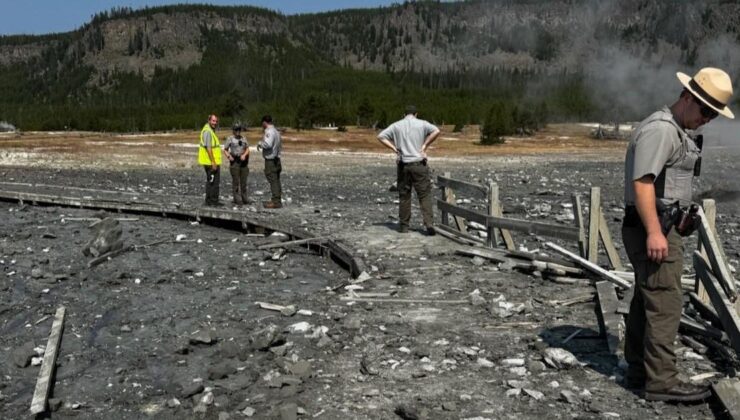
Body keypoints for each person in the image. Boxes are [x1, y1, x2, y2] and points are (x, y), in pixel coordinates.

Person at [622, 67, 734, 402]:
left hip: (658, 224)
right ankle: (662, 382)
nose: (707, 119)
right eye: (705, 111)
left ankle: (640, 371)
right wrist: (656, 231)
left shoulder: (674, 130)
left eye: (713, 114)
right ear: (687, 97)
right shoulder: (662, 130)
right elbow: (642, 183)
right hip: (652, 227)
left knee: (648, 298)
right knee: (666, 301)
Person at [377, 105, 440, 235]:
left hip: (403, 164)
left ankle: (404, 226)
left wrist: (394, 148)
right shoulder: (422, 124)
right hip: (418, 163)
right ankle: (429, 224)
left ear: (404, 114)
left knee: (404, 195)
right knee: (424, 195)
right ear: (416, 114)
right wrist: (424, 146)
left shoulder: (396, 125)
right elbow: (436, 131)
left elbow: (381, 136)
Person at [258, 115, 283, 209]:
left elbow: (267, 144)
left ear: (264, 122)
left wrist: (260, 144)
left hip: (271, 160)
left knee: (273, 180)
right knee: (276, 179)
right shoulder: (277, 131)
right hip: (277, 158)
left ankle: (276, 201)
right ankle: (277, 198)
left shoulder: (269, 132)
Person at [198, 114, 223, 207]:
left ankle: (209, 201)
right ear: (209, 121)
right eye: (213, 121)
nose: (215, 123)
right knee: (214, 182)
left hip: (209, 161)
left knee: (210, 181)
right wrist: (213, 162)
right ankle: (213, 201)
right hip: (210, 162)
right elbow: (209, 148)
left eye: (216, 121)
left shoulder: (209, 130)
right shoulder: (208, 132)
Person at [223, 122, 250, 206]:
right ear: (233, 130)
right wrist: (228, 156)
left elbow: (248, 149)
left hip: (243, 162)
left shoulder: (244, 138)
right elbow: (225, 149)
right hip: (234, 161)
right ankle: (237, 199)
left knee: (244, 181)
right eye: (236, 129)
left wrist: (245, 155)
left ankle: (245, 198)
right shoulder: (230, 139)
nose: (238, 131)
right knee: (236, 181)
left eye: (239, 129)